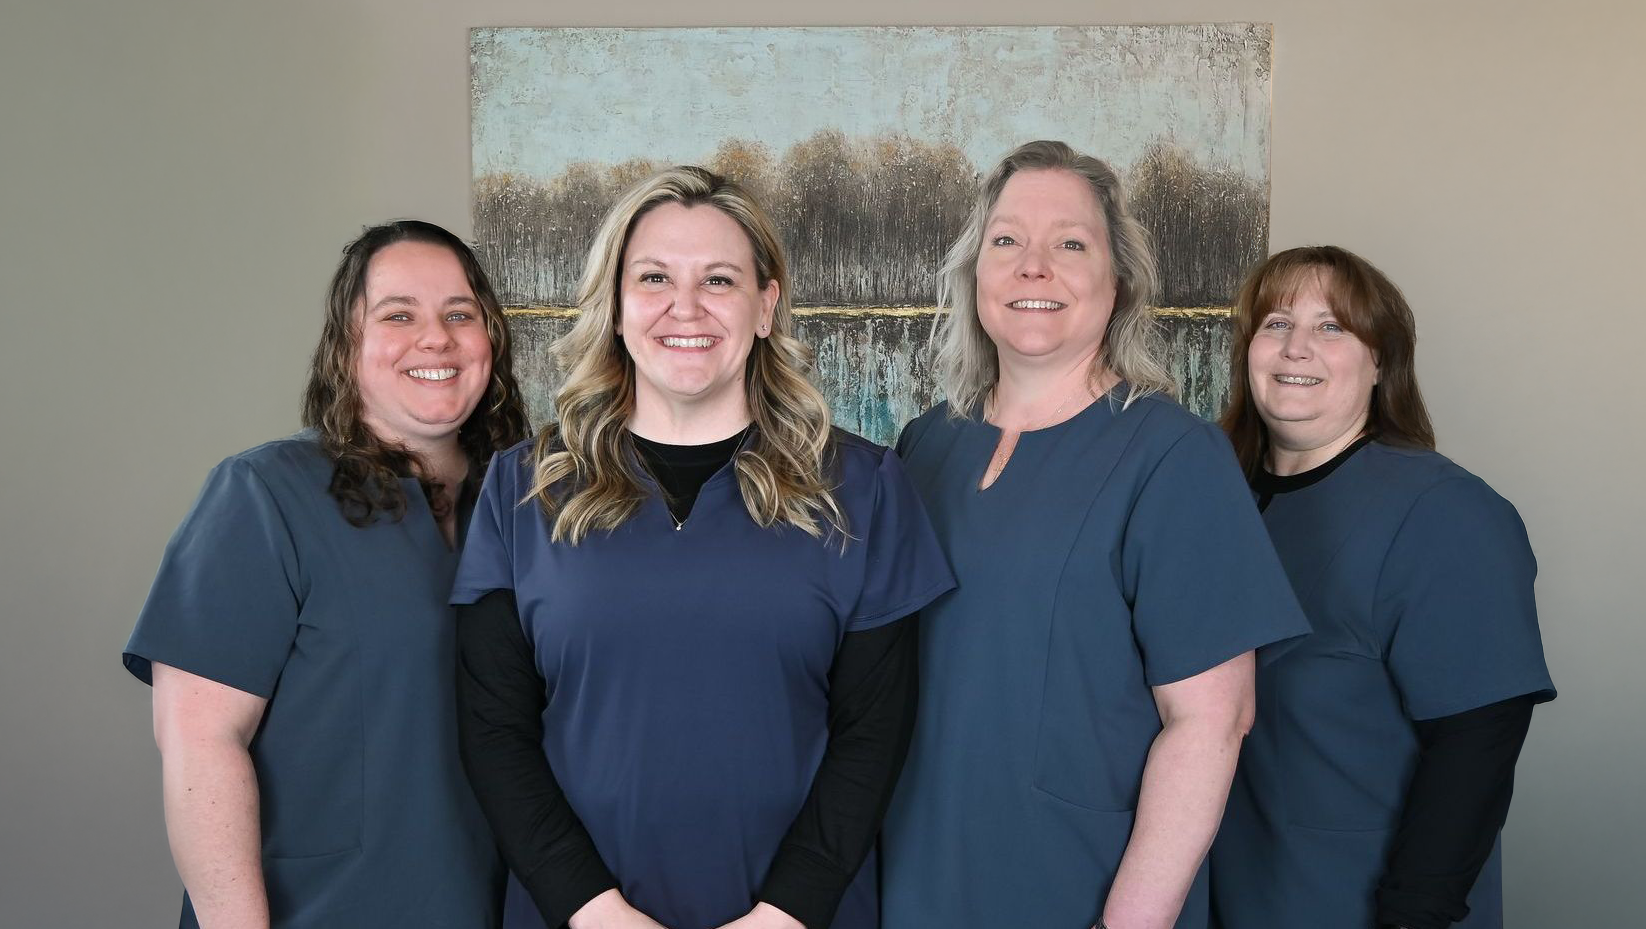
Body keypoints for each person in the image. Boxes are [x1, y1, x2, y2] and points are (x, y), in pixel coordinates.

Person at [450, 166, 954, 929]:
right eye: (654, 277)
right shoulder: (522, 488)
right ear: (616, 306)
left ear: (765, 305)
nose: (684, 308)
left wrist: (782, 915)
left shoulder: (865, 487)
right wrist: (593, 912)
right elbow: (495, 732)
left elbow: (873, 737)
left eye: (719, 279)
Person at [878, 139, 1309, 929]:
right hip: (916, 867)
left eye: (1070, 243)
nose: (1033, 266)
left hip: (1077, 881)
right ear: (976, 271)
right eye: (1006, 240)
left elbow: (1213, 721)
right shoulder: (926, 445)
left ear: (1119, 281)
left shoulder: (1174, 455)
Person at [123, 220, 529, 928]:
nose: (435, 338)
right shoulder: (264, 494)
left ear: (489, 340)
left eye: (459, 315)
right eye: (398, 314)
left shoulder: (530, 506)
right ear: (348, 346)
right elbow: (198, 739)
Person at [1209, 245, 1556, 929]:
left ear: (1380, 360)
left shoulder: (1445, 513)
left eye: (1332, 327)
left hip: (1359, 907)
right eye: (1275, 323)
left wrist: (1412, 915)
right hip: (1219, 898)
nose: (1296, 347)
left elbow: (1478, 742)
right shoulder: (1215, 503)